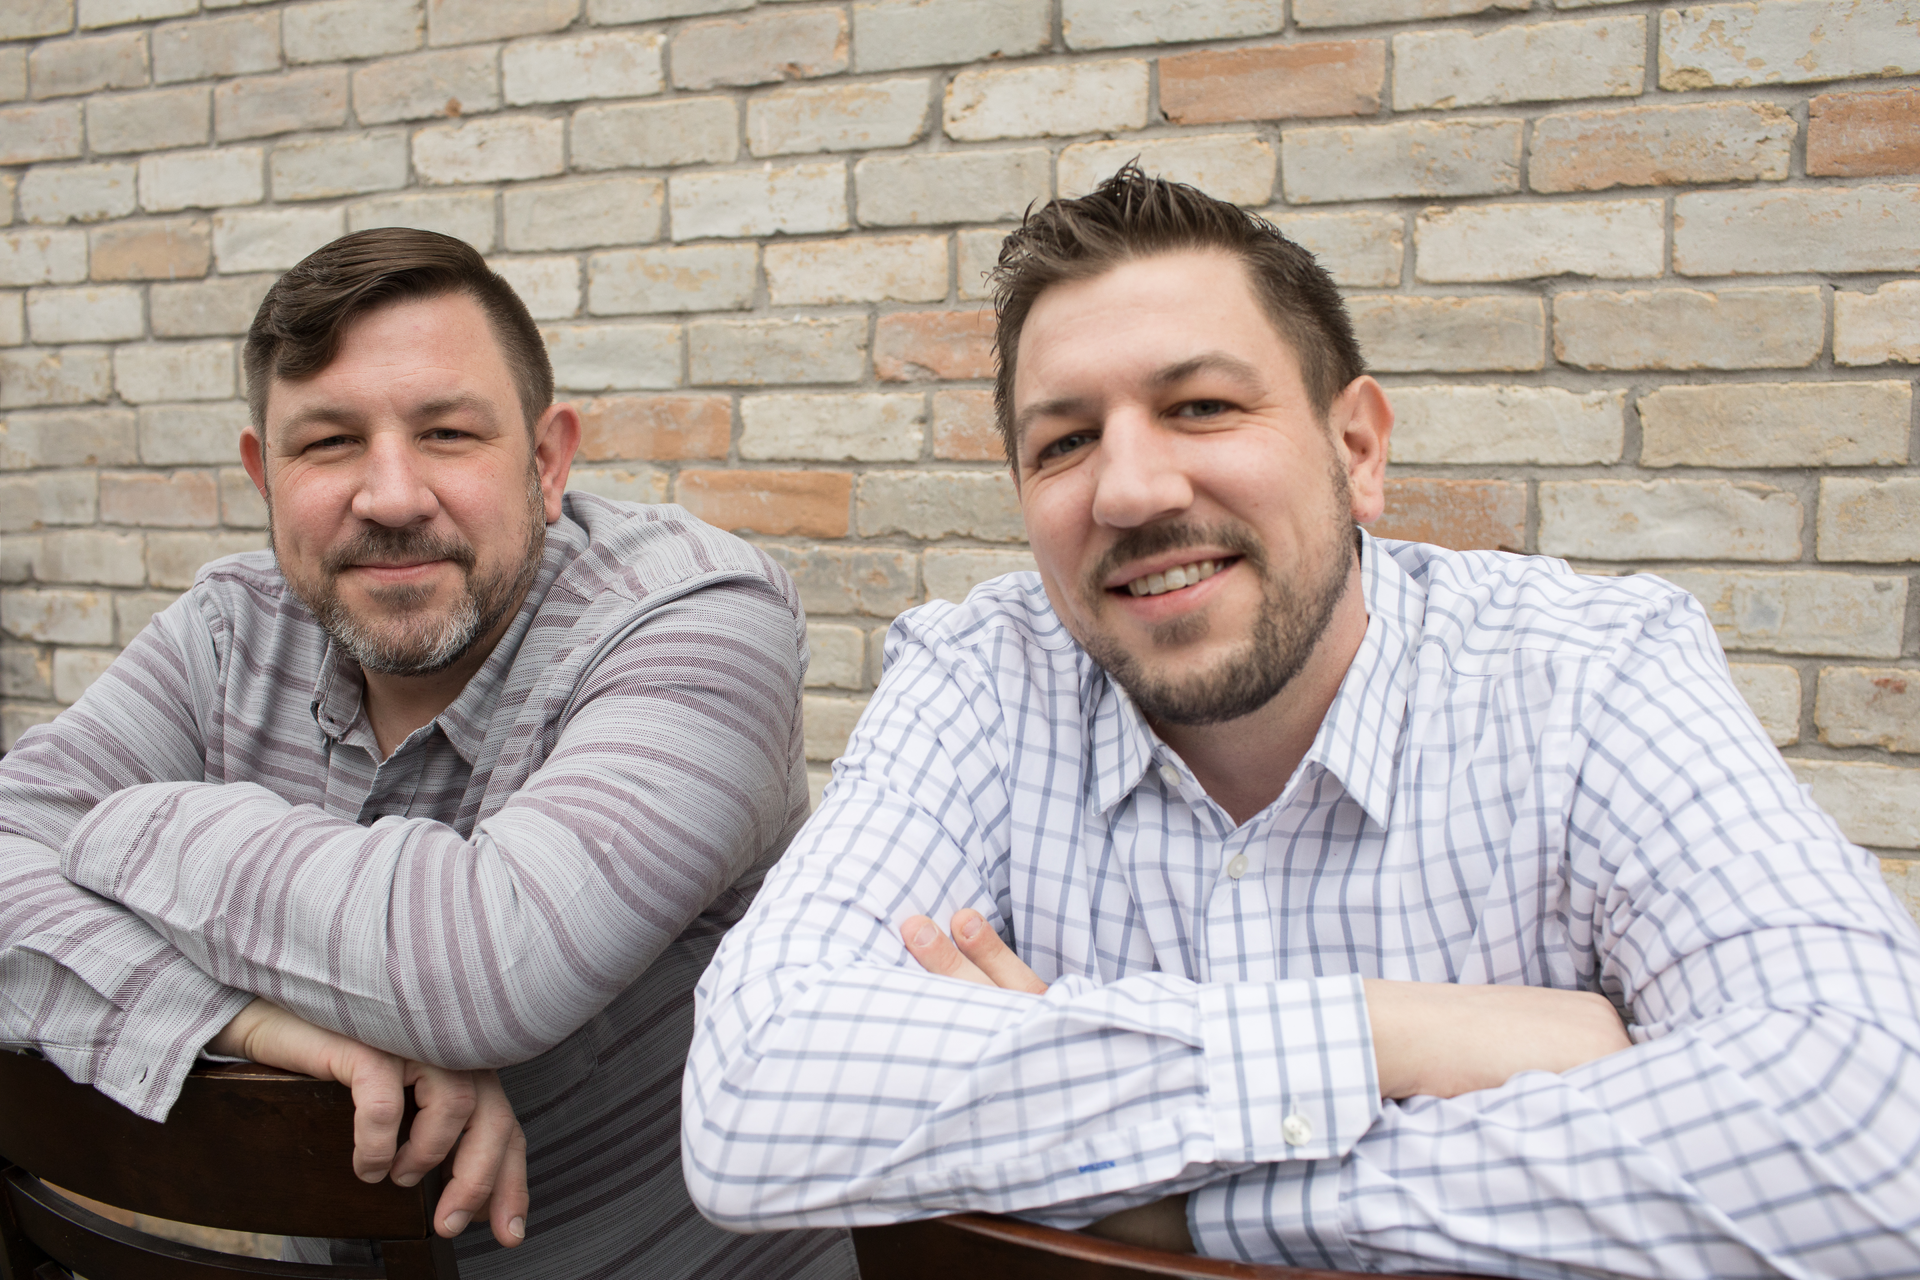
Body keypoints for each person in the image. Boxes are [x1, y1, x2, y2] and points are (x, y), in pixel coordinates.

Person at [682, 168, 1920, 1278]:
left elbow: (1876, 1132)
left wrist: (1175, 1204)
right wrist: (1407, 1033)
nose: (1131, 488)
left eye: (1201, 406)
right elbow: (752, 1099)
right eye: (1066, 441)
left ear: (1358, 446)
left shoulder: (1588, 675)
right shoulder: (981, 675)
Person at [0, 228, 855, 1280]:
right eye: (329, 443)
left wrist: (133, 823)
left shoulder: (700, 620)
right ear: (264, 476)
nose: (393, 496)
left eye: (447, 433)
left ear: (546, 461)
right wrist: (256, 1024)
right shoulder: (230, 632)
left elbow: (492, 967)